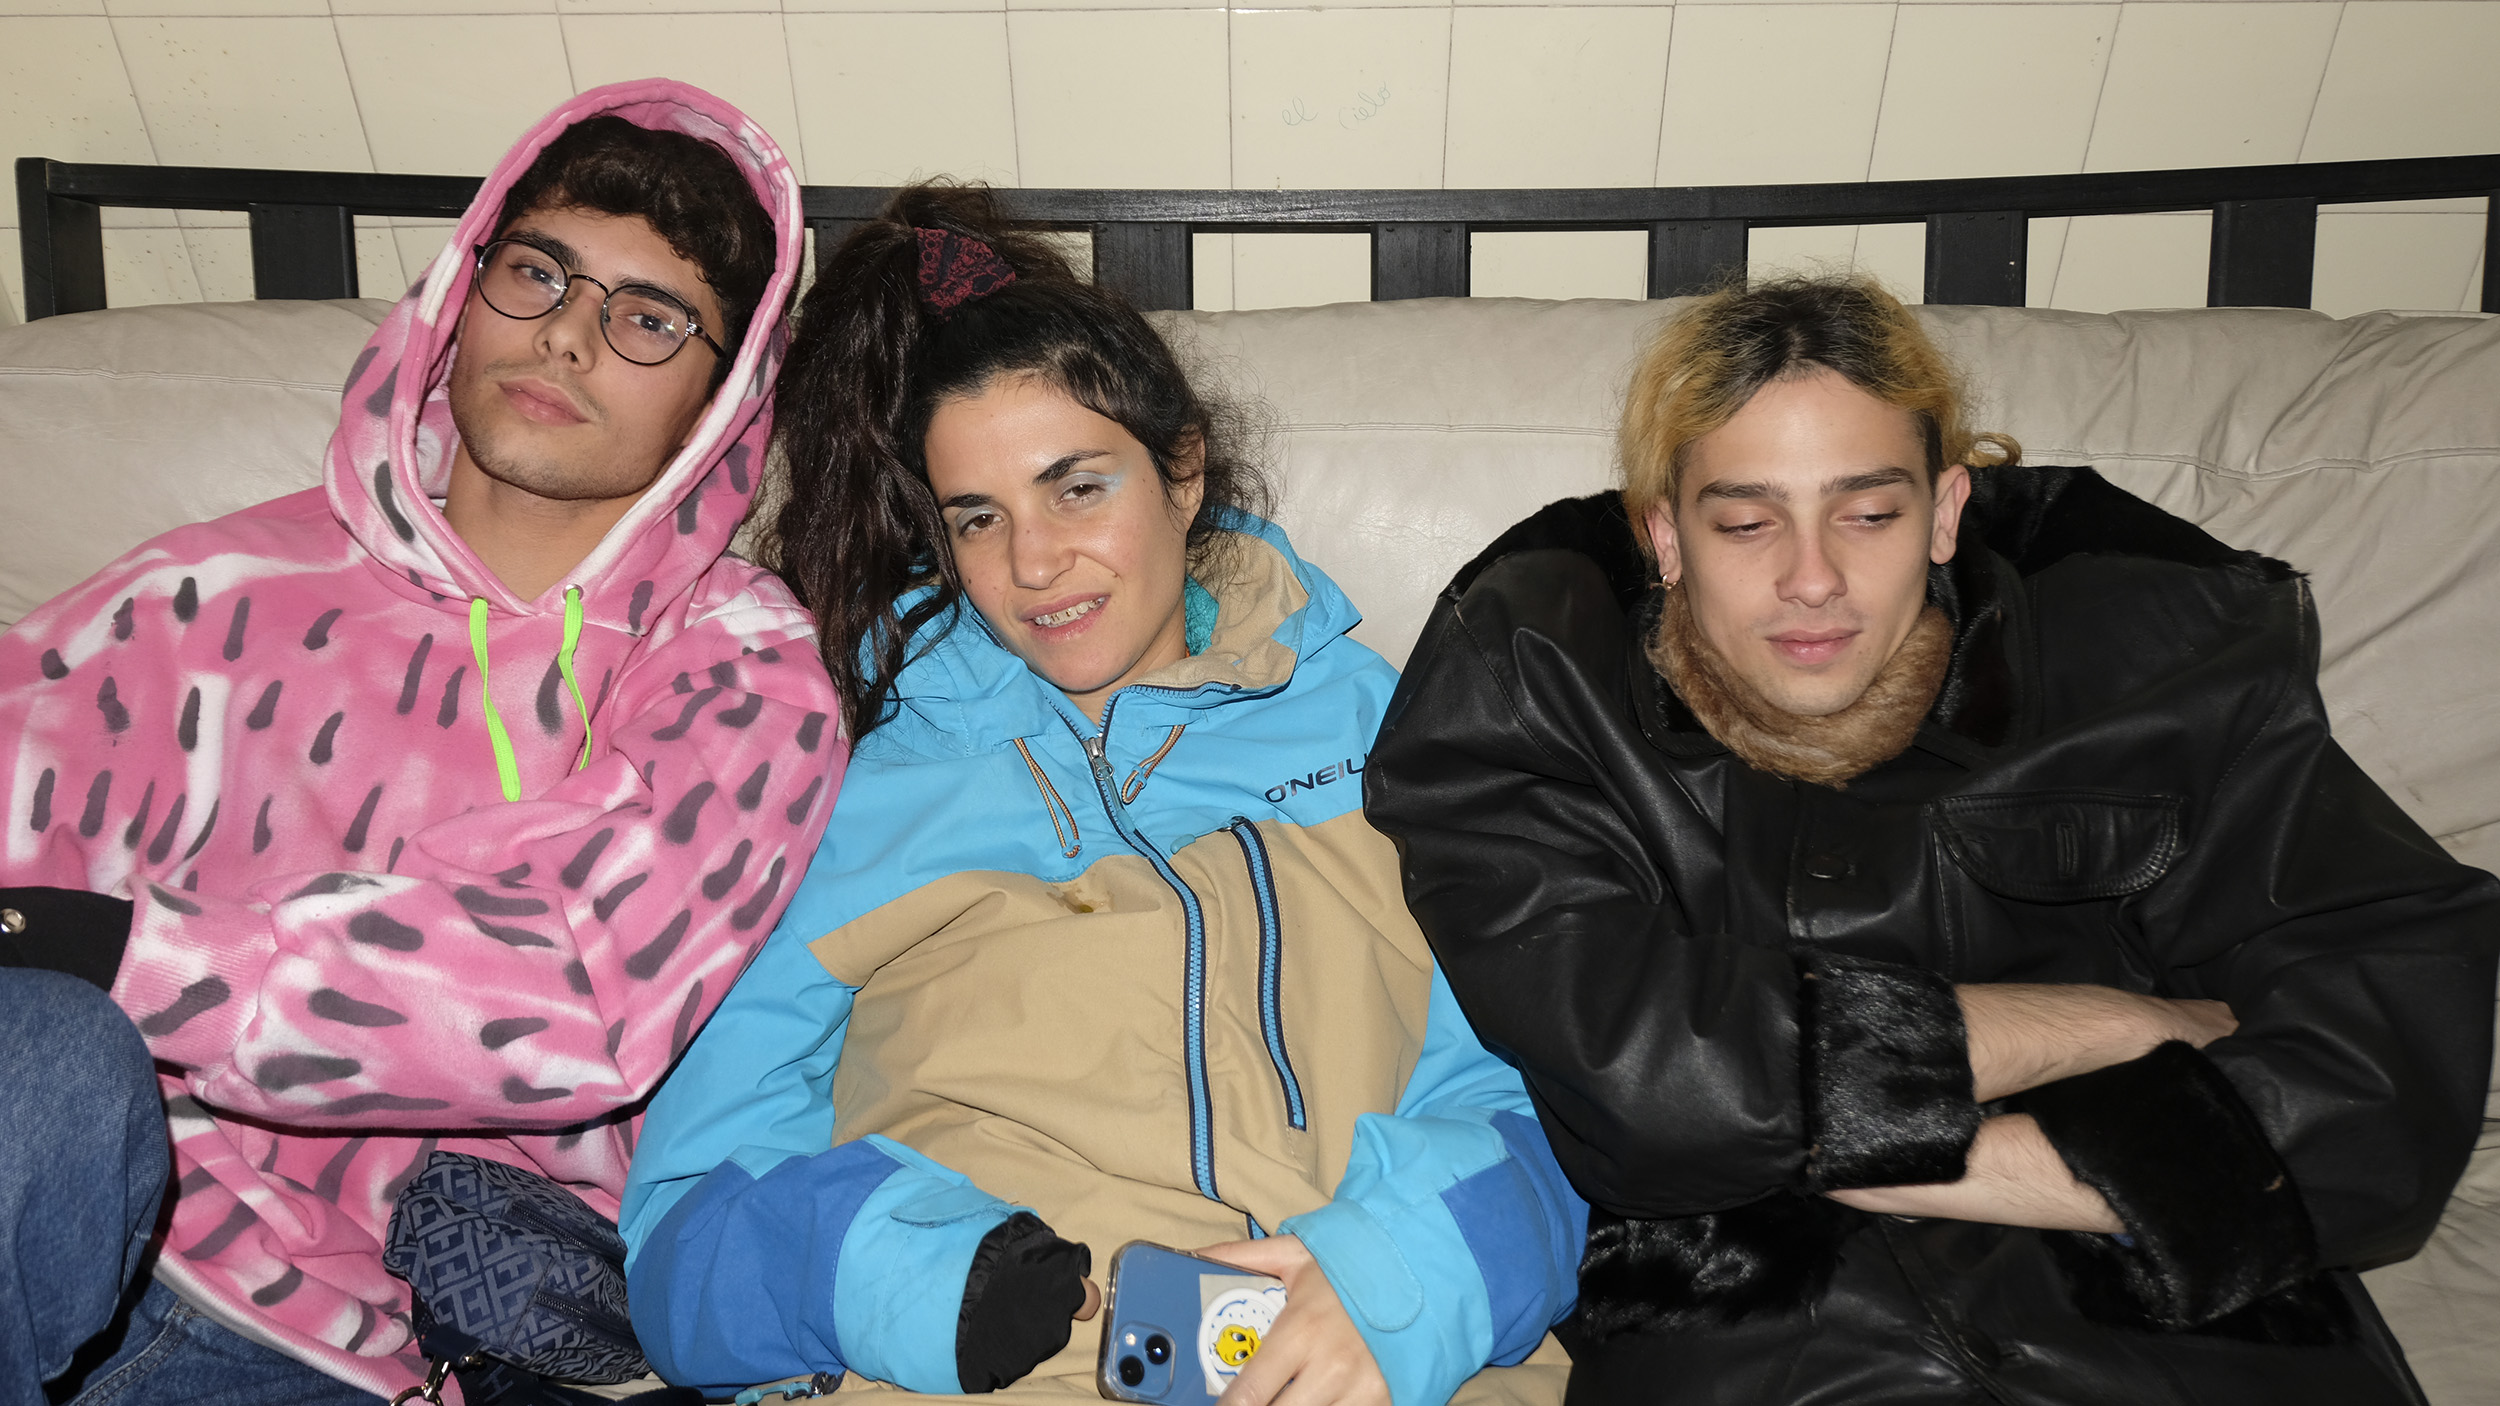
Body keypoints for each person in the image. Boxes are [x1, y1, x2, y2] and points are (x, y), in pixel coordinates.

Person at [1362, 276, 2500, 1405]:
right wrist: (2115, 1026)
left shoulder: (2149, 653)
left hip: (2196, 1348)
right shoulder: (1539, 683)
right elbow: (1643, 1088)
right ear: (1665, 535)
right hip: (1764, 1353)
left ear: (1947, 511)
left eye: (1868, 514)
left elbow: (2384, 1068)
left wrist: (1942, 1161)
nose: (1811, 578)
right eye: (1746, 522)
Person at [618, 184, 1588, 1406]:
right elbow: (683, 1223)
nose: (1033, 564)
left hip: (1370, 1352)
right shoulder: (843, 772)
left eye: (1077, 487)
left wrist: (1395, 1278)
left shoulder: (1374, 722)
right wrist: (919, 1274)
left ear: (1182, 471)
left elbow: (1541, 1088)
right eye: (980, 517)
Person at [0, 82, 839, 1405]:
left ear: (718, 402)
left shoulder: (739, 666)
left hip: (322, 1334)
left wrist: (135, 951)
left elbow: (574, 992)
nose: (567, 335)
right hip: (52, 1190)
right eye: (537, 271)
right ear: (459, 296)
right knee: (46, 1051)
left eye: (647, 318)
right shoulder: (207, 590)